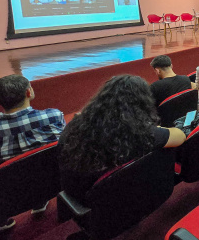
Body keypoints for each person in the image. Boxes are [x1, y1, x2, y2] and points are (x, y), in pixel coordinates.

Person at [58, 75, 186, 202]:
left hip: (75, 190)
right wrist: (156, 128)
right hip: (102, 196)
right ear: (142, 103)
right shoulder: (139, 132)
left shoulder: (76, 123)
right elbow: (180, 136)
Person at [0, 75, 65, 229]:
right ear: (29, 93)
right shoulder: (54, 116)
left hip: (8, 196)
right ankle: (40, 202)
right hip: (53, 183)